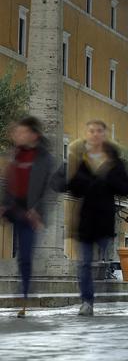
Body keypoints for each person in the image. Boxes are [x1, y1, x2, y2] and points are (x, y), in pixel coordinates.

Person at [65, 120, 128, 317]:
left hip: (104, 219)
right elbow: (76, 188)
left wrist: (107, 176)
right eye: (91, 131)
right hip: (86, 220)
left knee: (103, 260)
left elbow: (126, 188)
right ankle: (87, 301)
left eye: (98, 131)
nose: (95, 134)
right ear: (87, 134)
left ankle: (105, 292)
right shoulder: (82, 159)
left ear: (104, 135)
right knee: (84, 263)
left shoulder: (115, 162)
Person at [0, 116, 57, 318]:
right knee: (22, 256)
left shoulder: (45, 159)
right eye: (16, 132)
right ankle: (25, 288)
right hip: (13, 209)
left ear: (33, 135)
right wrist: (4, 205)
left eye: (21, 132)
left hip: (30, 214)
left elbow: (48, 189)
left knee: (25, 256)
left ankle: (24, 294)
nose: (17, 135)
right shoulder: (14, 155)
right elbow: (8, 182)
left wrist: (37, 211)